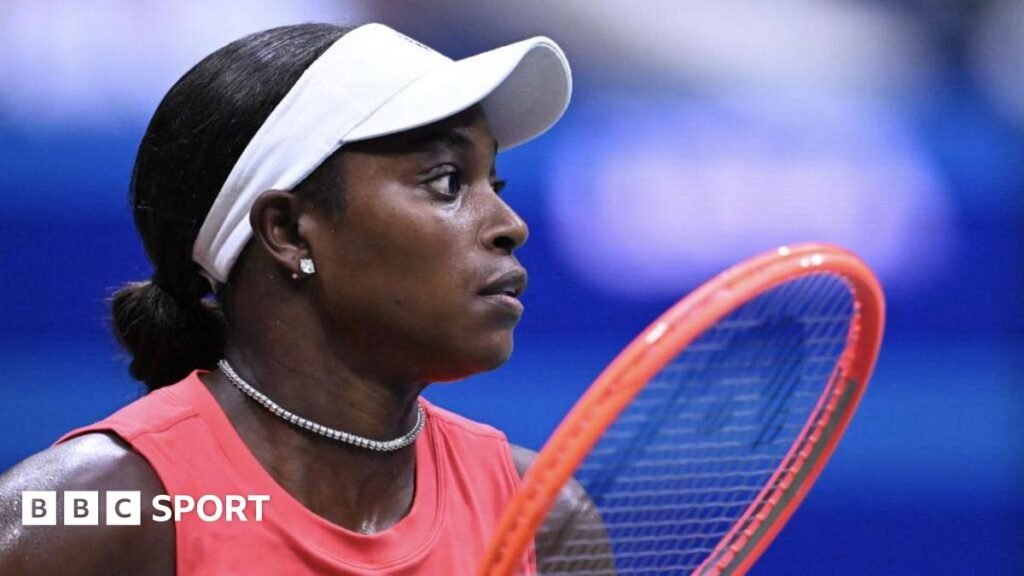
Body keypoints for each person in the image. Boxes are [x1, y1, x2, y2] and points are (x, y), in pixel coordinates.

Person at [0, 22, 585, 575]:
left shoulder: (543, 519)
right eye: (447, 181)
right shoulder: (85, 516)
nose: (510, 224)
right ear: (287, 230)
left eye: (495, 183)